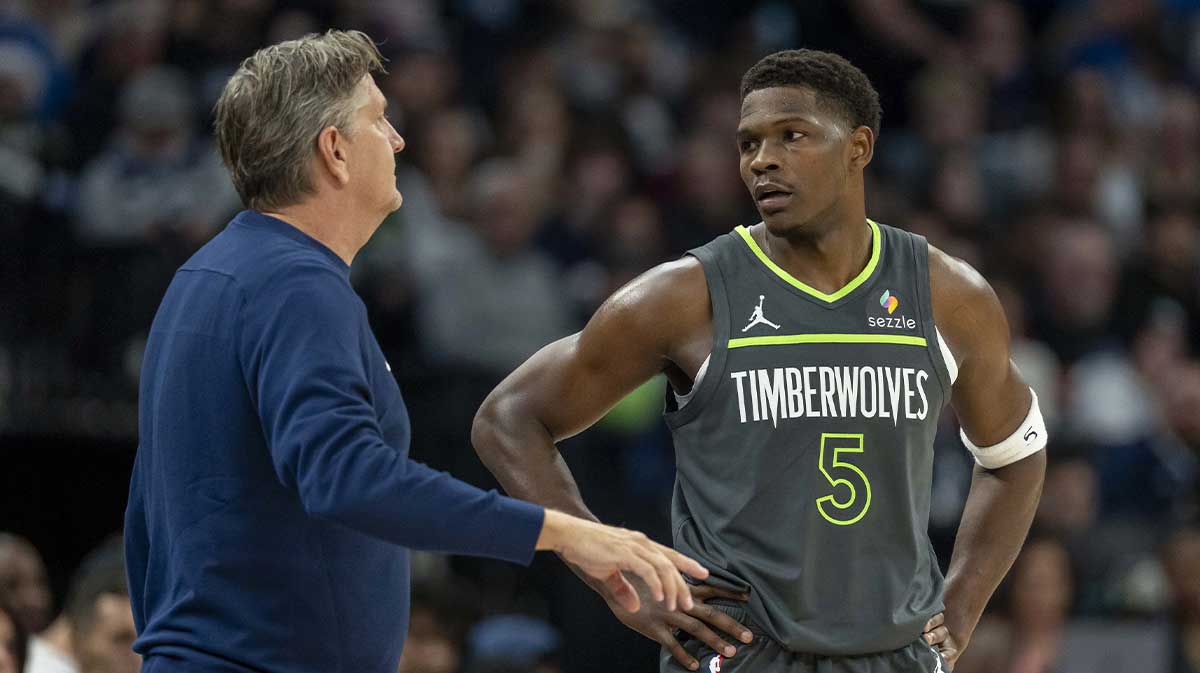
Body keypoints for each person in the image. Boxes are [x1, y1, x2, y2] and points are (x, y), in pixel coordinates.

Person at [123, 29, 707, 673]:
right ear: (334, 151)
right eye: (379, 119)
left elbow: (148, 515)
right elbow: (348, 477)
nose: (398, 139)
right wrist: (566, 533)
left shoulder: (202, 277)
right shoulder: (296, 286)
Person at [473, 49, 1047, 672]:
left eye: (792, 136)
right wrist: (615, 573)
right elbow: (508, 419)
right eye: (749, 143)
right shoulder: (683, 297)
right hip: (743, 651)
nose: (762, 160)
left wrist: (960, 607)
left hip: (894, 652)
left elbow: (1016, 454)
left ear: (858, 148)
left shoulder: (947, 294)